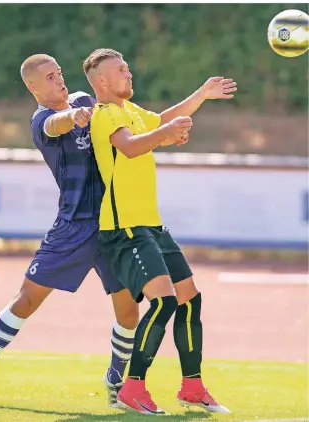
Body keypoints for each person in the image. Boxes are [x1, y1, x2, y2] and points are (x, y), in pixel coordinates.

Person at [0, 54, 140, 407]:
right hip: (73, 227)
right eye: (50, 76)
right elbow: (56, 124)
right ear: (33, 87)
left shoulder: (86, 101)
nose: (59, 79)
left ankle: (115, 383)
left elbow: (120, 115)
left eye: (59, 73)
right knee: (25, 300)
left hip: (113, 224)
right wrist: (74, 117)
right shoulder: (43, 119)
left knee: (130, 309)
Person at [83, 48, 237, 415]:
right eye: (120, 70)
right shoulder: (104, 115)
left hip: (151, 225)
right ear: (102, 81)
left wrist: (200, 95)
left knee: (189, 300)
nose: (128, 72)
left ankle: (193, 387)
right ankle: (132, 388)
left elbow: (163, 121)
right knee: (165, 301)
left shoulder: (131, 112)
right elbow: (132, 147)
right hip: (125, 229)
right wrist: (165, 133)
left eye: (127, 66)